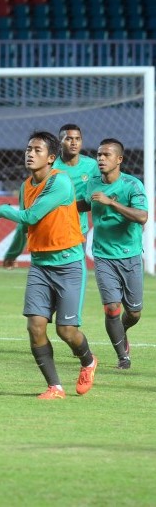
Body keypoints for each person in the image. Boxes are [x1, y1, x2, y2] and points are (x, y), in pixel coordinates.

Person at [0, 131, 98, 399]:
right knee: (35, 326)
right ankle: (55, 386)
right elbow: (25, 227)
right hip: (40, 265)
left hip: (69, 264)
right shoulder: (25, 186)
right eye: (29, 148)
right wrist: (12, 252)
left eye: (38, 150)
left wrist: (2, 209)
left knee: (66, 331)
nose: (30, 153)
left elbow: (31, 216)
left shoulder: (60, 183)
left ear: (51, 158)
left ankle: (88, 361)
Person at [79, 139, 147, 369]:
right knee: (111, 308)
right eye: (98, 155)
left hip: (130, 255)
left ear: (119, 159)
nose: (100, 159)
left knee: (134, 312)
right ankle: (123, 356)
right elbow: (85, 203)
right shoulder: (93, 183)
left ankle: (123, 327)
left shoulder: (132, 185)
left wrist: (112, 204)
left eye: (106, 155)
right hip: (103, 255)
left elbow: (142, 216)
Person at [53, 124, 100, 238]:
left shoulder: (91, 165)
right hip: (55, 225)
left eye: (77, 139)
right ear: (60, 142)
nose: (74, 143)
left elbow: (99, 190)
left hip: (80, 227)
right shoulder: (51, 166)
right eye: (69, 139)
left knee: (79, 256)